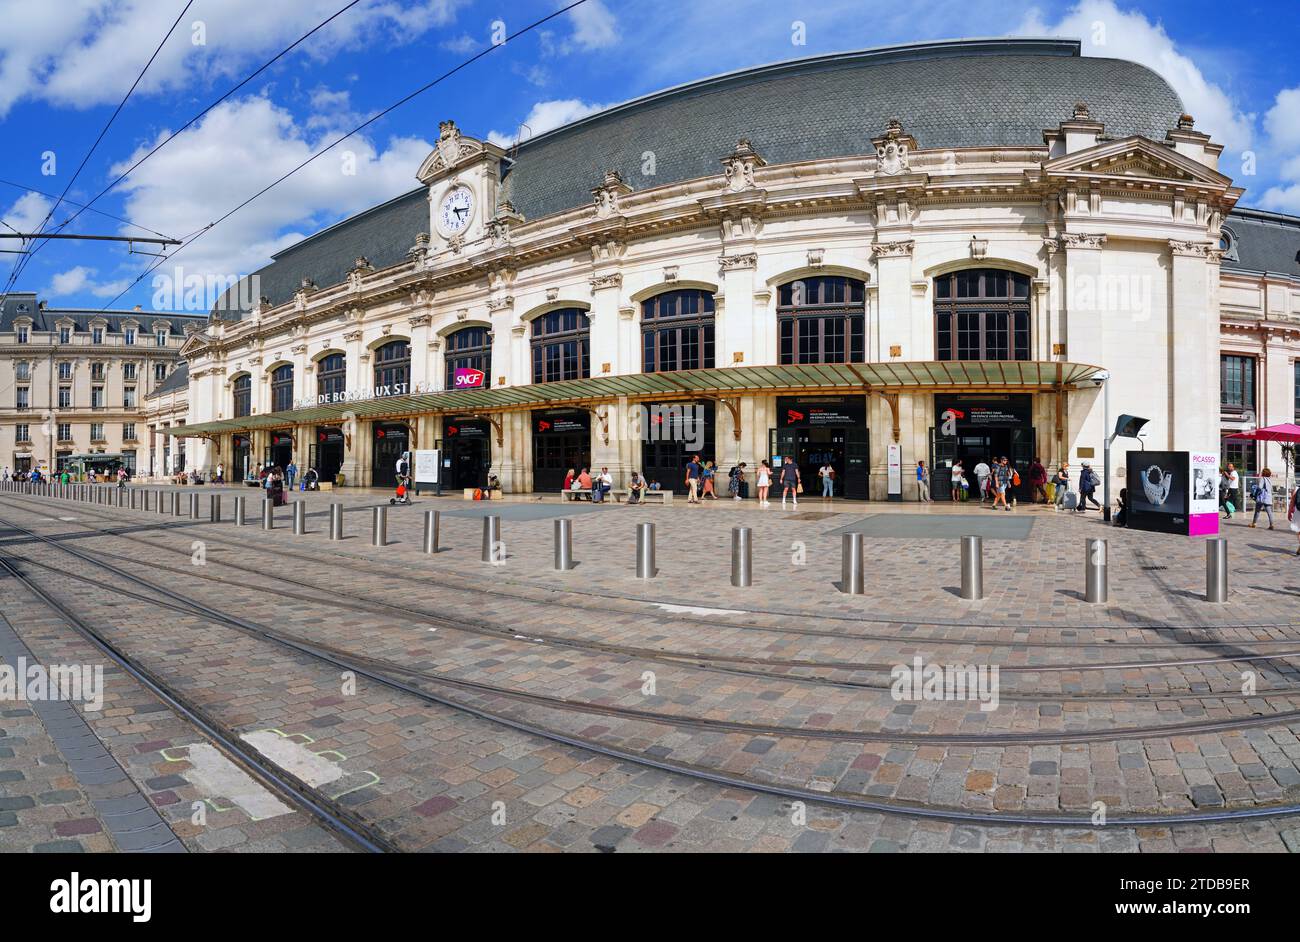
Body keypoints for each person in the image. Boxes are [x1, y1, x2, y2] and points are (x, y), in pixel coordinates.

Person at [1290, 484, 1300, 556]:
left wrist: (1289, 511)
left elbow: (1292, 502)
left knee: (1298, 530)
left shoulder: (1297, 489)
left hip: (1298, 512)